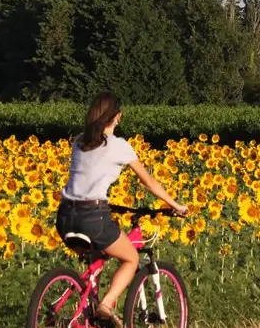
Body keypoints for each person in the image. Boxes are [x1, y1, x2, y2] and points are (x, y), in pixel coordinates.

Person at [55, 92, 188, 327]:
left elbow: (86, 176)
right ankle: (106, 306)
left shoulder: (79, 141)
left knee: (98, 257)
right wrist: (176, 205)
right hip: (92, 217)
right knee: (130, 258)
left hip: (65, 216)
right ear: (117, 117)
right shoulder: (119, 146)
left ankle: (85, 308)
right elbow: (149, 182)